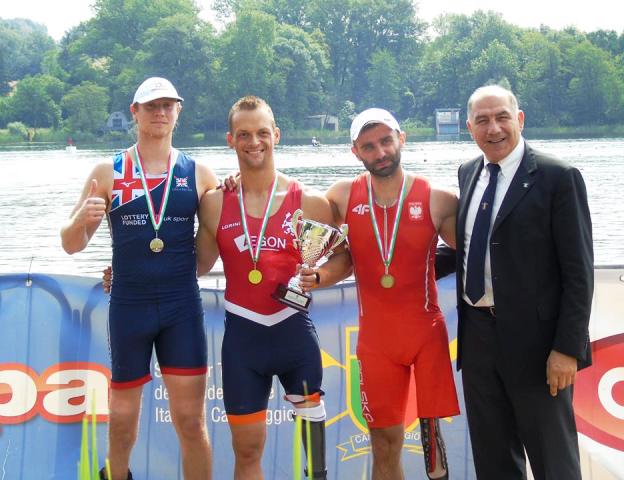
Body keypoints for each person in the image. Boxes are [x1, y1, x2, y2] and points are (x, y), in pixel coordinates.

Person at [61, 77, 218, 480]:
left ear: (179, 111)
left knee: (190, 421)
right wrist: (82, 219)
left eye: (168, 105)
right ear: (135, 112)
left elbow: (214, 248)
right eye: (151, 106)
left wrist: (229, 191)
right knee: (122, 420)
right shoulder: (108, 170)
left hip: (182, 306)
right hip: (130, 306)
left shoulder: (199, 173)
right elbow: (70, 245)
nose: (160, 113)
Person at [300, 108, 460, 480]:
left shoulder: (438, 199)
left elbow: (482, 251)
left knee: (434, 446)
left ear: (401, 139)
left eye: (386, 141)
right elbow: (296, 214)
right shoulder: (341, 197)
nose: (380, 152)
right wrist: (320, 276)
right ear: (355, 151)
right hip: (376, 342)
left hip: (425, 334)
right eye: (369, 146)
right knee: (383, 445)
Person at [196, 95, 337, 480]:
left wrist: (321, 277)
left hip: (294, 337)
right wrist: (127, 269)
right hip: (244, 344)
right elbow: (196, 265)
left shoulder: (309, 201)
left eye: (261, 133)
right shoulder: (213, 203)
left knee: (316, 466)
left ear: (276, 134)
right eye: (243, 134)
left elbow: (349, 256)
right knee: (246, 455)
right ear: (230, 139)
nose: (253, 142)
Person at [456, 84, 593, 479]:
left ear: (520, 119)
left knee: (554, 460)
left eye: (501, 117)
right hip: (479, 340)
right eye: (482, 120)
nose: (493, 128)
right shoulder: (468, 173)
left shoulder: (558, 177)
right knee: (494, 459)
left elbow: (579, 272)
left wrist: (567, 349)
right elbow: (472, 247)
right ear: (470, 127)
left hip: (539, 348)